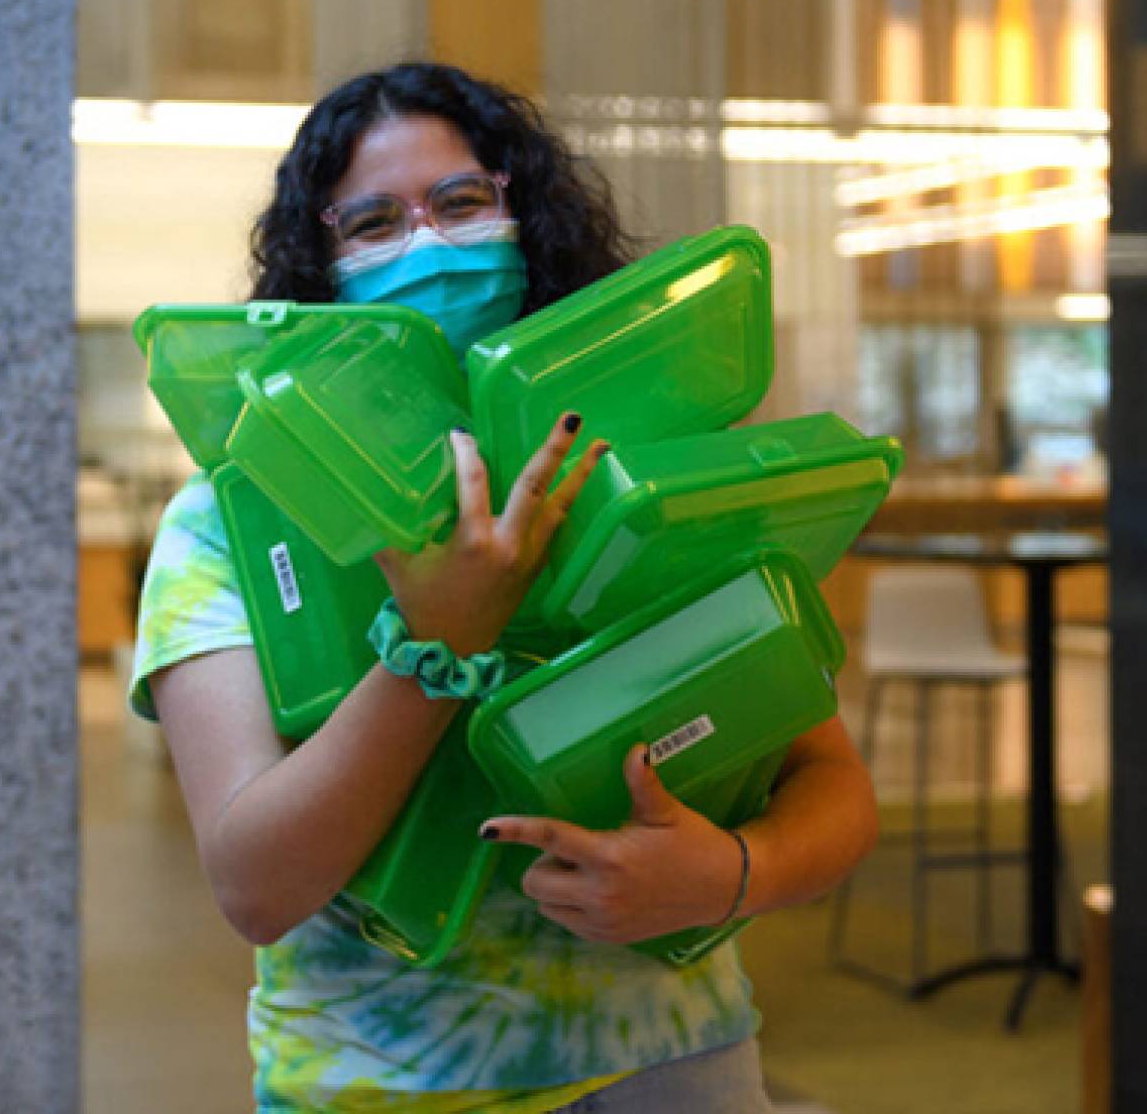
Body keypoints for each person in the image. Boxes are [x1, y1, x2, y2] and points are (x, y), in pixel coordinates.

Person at [132, 61, 879, 1113]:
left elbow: (832, 786)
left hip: (678, 1068)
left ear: (526, 221)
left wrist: (730, 874)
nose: (427, 246)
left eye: (463, 203)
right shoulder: (231, 522)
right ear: (321, 264)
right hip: (380, 1085)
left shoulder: (651, 463)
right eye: (374, 223)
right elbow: (255, 885)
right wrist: (434, 648)